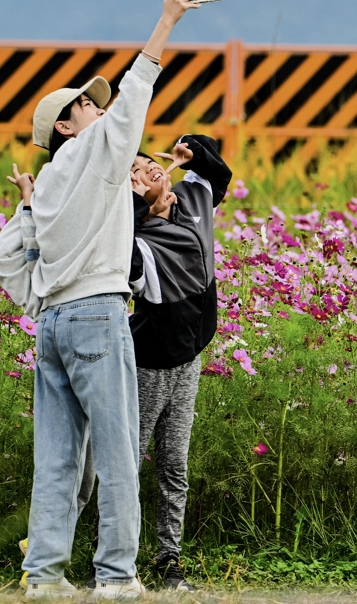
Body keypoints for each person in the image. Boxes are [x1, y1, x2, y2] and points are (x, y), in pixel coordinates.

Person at [0, 0, 201, 601]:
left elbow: (6, 260)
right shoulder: (94, 154)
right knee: (116, 456)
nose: (98, 107)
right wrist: (167, 19)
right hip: (98, 315)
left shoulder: (47, 182)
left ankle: (44, 577)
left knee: (56, 462)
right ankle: (115, 577)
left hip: (52, 324)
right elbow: (137, 93)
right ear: (66, 124)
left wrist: (28, 226)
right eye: (86, 103)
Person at [126, 135, 231, 591]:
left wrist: (190, 150)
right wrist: (136, 202)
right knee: (127, 464)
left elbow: (217, 172)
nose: (149, 169)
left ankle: (170, 560)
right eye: (133, 173)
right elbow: (114, 237)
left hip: (188, 362)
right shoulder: (135, 242)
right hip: (147, 365)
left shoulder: (192, 200)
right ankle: (115, 560)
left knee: (175, 465)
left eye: (149, 163)